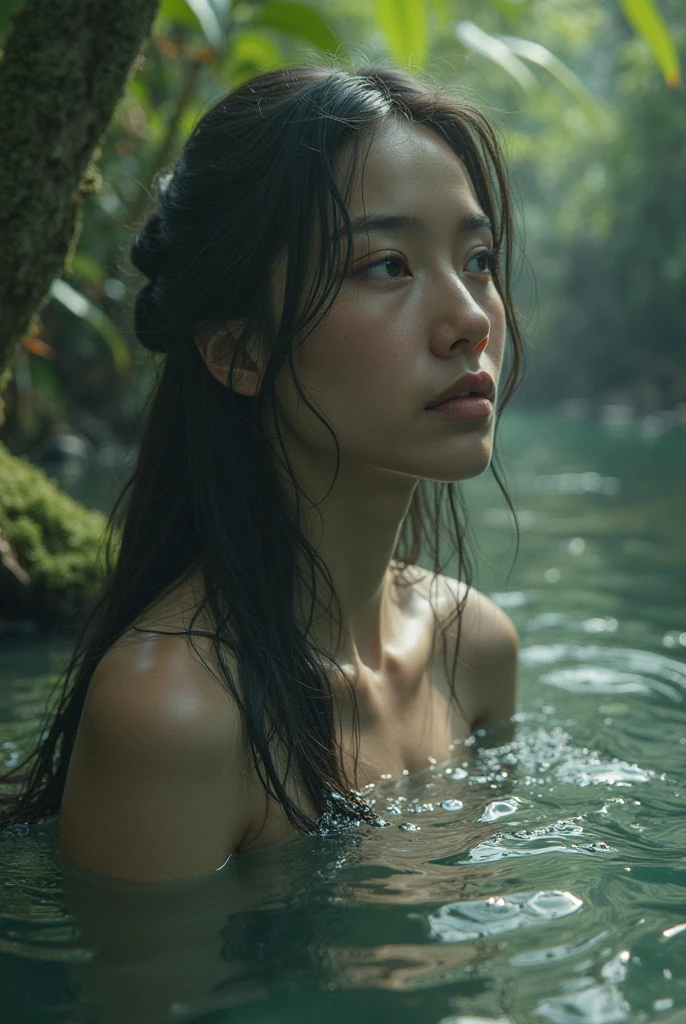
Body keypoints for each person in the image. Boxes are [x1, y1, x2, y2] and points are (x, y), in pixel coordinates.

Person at [0, 62, 524, 883]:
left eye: (480, 257)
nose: (468, 320)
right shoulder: (177, 714)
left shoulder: (478, 650)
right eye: (387, 264)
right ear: (238, 352)